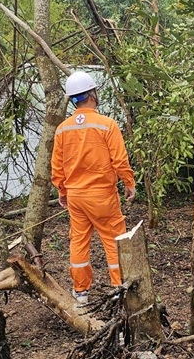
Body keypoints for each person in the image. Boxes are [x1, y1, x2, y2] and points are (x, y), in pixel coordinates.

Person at [51, 71, 136, 304]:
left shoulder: (62, 129)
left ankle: (81, 293)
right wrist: (129, 182)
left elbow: (57, 166)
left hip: (76, 197)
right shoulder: (107, 125)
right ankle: (119, 288)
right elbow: (119, 159)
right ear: (92, 94)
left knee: (78, 241)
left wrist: (62, 190)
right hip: (102, 196)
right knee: (113, 239)